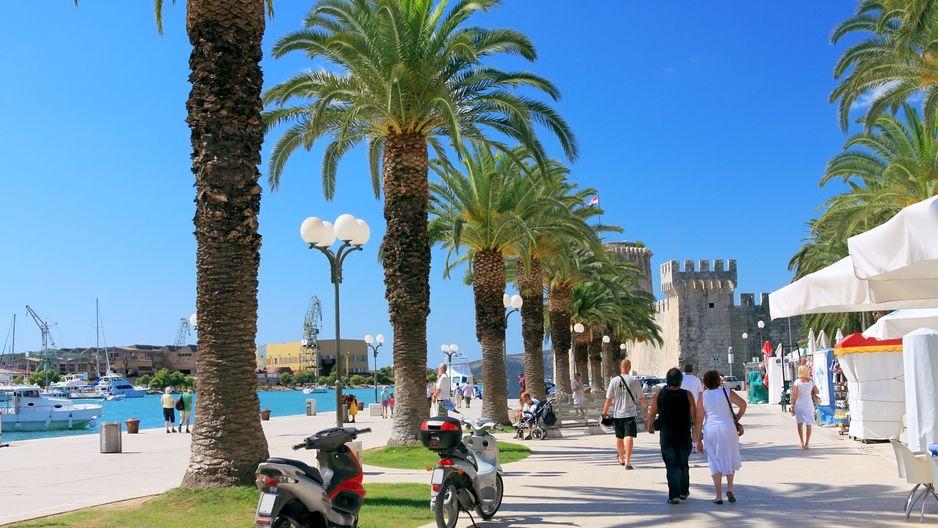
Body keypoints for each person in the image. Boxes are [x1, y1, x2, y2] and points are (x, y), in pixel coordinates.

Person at [696, 369, 747, 505]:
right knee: (730, 456)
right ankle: (730, 489)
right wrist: (736, 418)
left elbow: (699, 419)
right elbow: (743, 404)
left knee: (714, 460)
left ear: (705, 383)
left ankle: (718, 496)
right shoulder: (727, 392)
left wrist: (697, 439)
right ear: (719, 381)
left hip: (710, 429)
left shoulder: (703, 396)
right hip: (728, 427)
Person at [648, 368, 696, 504]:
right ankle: (683, 491)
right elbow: (693, 416)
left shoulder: (659, 394)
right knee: (683, 464)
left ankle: (674, 495)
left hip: (667, 435)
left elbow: (652, 413)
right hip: (684, 434)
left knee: (671, 465)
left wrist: (650, 425)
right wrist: (696, 432)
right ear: (680, 381)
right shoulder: (687, 395)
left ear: (667, 380)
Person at [602, 359, 646, 469]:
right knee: (629, 436)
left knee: (619, 437)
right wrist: (646, 405)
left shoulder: (614, 381)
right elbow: (641, 398)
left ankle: (621, 457)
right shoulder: (634, 381)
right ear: (629, 367)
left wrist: (604, 413)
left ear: (620, 367)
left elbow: (609, 399)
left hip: (618, 415)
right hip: (630, 414)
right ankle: (627, 461)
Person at [791, 365, 819, 449]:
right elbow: (817, 391)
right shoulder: (811, 381)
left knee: (799, 423)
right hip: (809, 404)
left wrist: (793, 405)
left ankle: (801, 441)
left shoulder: (797, 382)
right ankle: (807, 442)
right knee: (808, 423)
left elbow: (795, 395)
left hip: (799, 404)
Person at [680, 364, 703, 452]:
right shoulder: (696, 379)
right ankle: (695, 444)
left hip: (682, 405)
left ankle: (683, 444)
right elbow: (700, 393)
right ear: (693, 370)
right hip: (694, 405)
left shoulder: (681, 378)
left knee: (683, 425)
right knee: (694, 425)